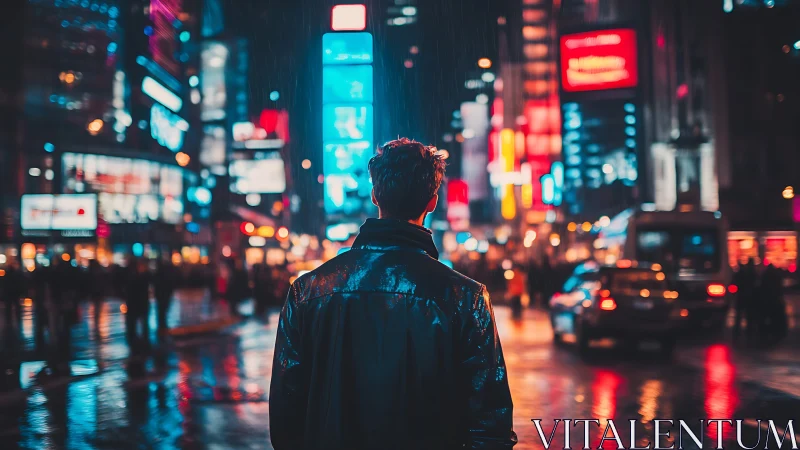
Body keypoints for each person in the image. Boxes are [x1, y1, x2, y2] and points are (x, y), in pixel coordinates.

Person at [269, 138, 517, 450]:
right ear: (432, 201)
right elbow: (490, 422)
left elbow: (285, 416)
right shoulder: (465, 297)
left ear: (375, 195)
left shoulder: (308, 291)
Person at [732, 258, 757, 339]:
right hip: (750, 297)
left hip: (741, 296)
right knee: (749, 316)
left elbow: (734, 283)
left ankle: (737, 332)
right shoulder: (753, 273)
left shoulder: (741, 273)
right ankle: (749, 332)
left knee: (739, 316)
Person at [153, 259, 176, 335]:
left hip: (161, 295)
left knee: (161, 310)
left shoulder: (158, 275)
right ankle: (163, 325)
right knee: (163, 310)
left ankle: (161, 325)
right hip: (164, 294)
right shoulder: (167, 275)